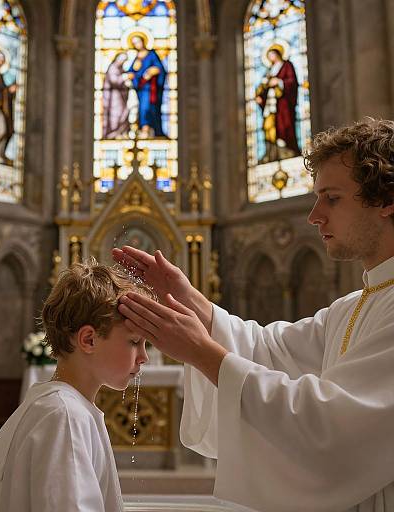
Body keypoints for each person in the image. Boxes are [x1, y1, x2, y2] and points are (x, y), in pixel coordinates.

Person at [113, 118, 394, 512]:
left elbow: (331, 425)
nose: (314, 215)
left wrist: (200, 351)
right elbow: (269, 349)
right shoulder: (355, 305)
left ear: (386, 200)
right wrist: (191, 300)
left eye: (331, 198)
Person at [0, 260, 154, 512]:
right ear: (88, 339)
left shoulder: (63, 406)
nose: (144, 357)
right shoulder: (65, 416)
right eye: (134, 342)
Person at [255, 43, 300, 164]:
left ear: (278, 54)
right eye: (269, 56)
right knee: (268, 126)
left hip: (282, 105)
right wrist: (260, 97)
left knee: (283, 125)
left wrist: (279, 82)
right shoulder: (269, 71)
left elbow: (292, 82)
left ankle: (286, 150)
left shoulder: (286, 65)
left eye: (272, 55)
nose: (271, 58)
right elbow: (263, 88)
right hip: (270, 105)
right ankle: (271, 151)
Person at [127, 34, 166, 139]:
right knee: (142, 109)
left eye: (138, 42)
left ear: (143, 41)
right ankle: (144, 129)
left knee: (149, 108)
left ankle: (150, 130)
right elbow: (131, 72)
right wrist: (132, 75)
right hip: (141, 90)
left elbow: (160, 68)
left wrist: (152, 71)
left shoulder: (151, 55)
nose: (137, 45)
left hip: (151, 88)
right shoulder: (137, 58)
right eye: (134, 43)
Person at [103, 52, 131, 139]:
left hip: (122, 96)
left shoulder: (121, 69)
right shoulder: (112, 68)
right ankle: (113, 133)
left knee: (123, 113)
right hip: (113, 97)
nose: (122, 62)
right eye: (121, 59)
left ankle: (120, 132)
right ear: (117, 58)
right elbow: (114, 81)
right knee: (116, 113)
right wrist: (125, 77)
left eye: (124, 61)